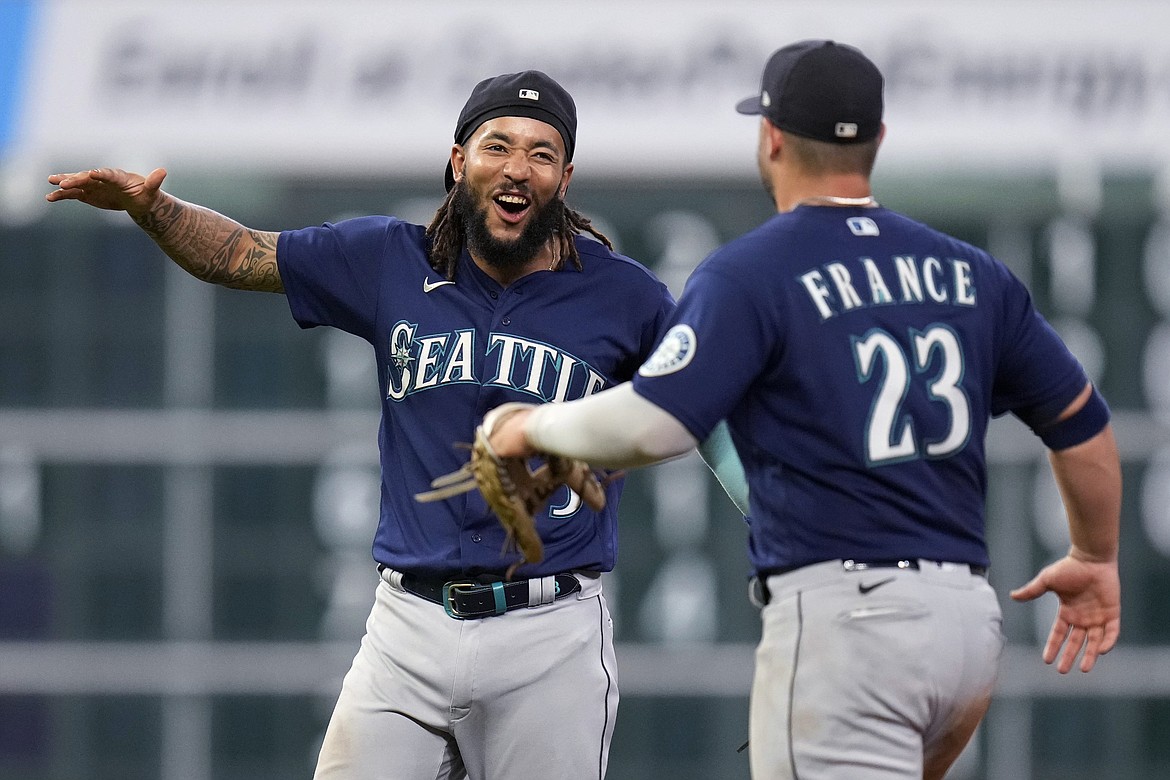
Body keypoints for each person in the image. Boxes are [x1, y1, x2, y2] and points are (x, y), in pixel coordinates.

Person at [45, 70, 727, 780]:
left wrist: (780, 526)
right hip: (409, 629)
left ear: (566, 176)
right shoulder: (390, 260)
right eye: (498, 145)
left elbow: (702, 409)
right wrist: (153, 210)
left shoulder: (625, 295)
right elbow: (241, 254)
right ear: (459, 161)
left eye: (542, 152)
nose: (518, 168)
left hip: (548, 631)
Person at [484, 41, 1123, 780]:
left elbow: (658, 423)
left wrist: (530, 425)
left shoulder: (753, 271)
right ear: (877, 142)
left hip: (848, 620)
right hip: (964, 625)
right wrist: (1095, 556)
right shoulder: (971, 273)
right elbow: (1083, 425)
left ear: (772, 137)